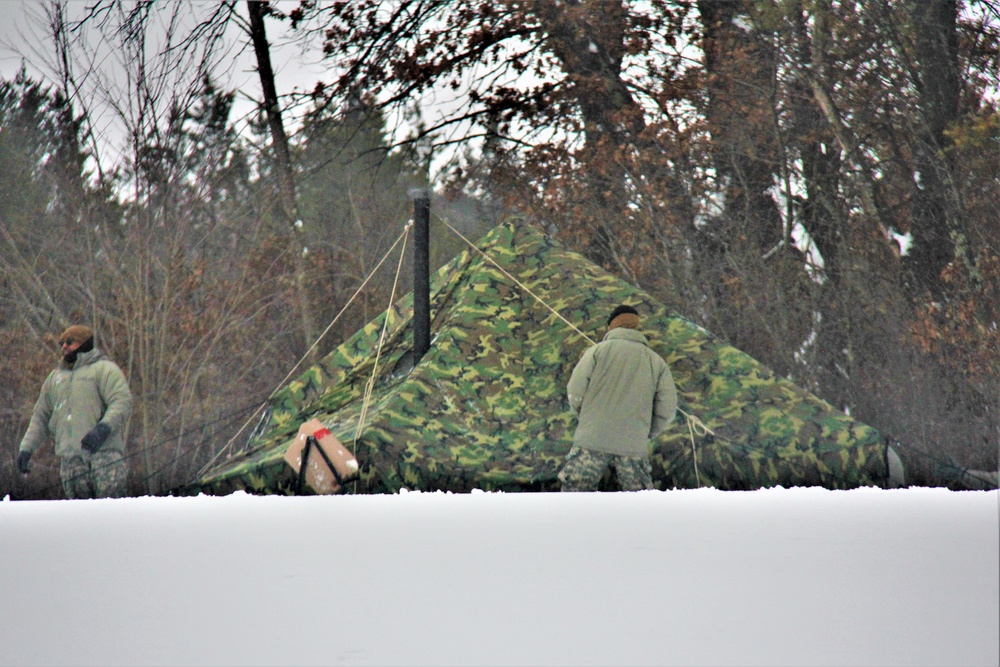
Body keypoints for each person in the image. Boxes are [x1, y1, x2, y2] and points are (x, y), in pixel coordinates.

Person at [558, 305, 677, 492]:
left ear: (611, 327)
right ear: (637, 328)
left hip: (592, 440)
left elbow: (575, 391)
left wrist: (587, 419)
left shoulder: (596, 352)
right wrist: (645, 431)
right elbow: (668, 407)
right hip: (633, 443)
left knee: (574, 497)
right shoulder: (656, 361)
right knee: (639, 503)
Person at [16, 325, 133, 499]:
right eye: (62, 343)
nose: (64, 346)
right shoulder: (54, 378)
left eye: (70, 342)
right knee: (78, 519)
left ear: (84, 343)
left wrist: (103, 428)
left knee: (110, 515)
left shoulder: (105, 369)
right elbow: (41, 416)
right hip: (71, 461)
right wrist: (26, 448)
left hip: (105, 457)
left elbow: (122, 401)